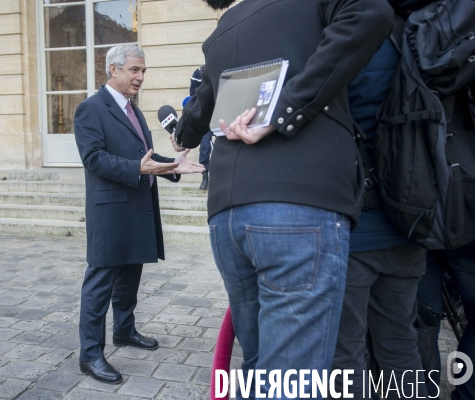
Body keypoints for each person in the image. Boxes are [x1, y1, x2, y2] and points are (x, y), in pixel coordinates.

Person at [175, 0, 393, 397]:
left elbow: (198, 110)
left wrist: (181, 136)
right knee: (291, 379)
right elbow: (372, 11)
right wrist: (285, 110)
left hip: (228, 217)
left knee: (259, 368)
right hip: (298, 205)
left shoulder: (227, 24)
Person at [74, 44, 204, 384]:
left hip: (136, 207)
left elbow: (143, 155)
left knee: (131, 273)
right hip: (110, 211)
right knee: (100, 283)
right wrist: (140, 168)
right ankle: (90, 355)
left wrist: (174, 165)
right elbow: (94, 159)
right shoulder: (91, 109)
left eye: (143, 71)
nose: (140, 77)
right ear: (113, 69)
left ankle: (124, 330)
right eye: (134, 70)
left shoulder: (133, 109)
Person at [330, 4, 429, 398]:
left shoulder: (350, 38)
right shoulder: (416, 36)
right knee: (400, 345)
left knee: (345, 355)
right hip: (412, 222)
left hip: (354, 228)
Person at [417, 247, 475, 399]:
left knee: (425, 322)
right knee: (424, 323)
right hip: (466, 238)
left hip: (424, 237)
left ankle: (426, 394)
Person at [190, 66, 213, 190]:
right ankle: (205, 176)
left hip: (222, 114)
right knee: (205, 147)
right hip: (205, 117)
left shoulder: (221, 68)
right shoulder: (198, 73)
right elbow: (193, 96)